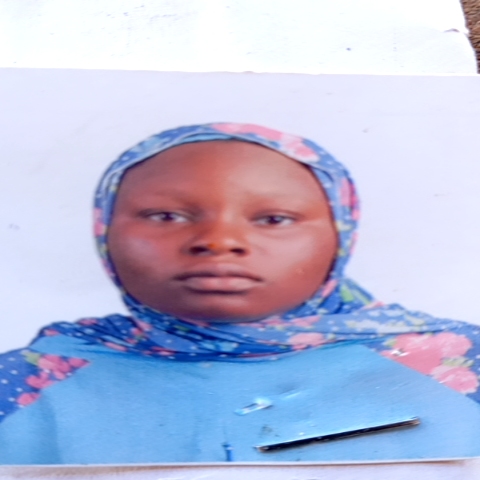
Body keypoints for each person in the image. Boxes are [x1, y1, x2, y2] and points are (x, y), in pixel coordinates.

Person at [1, 122, 480, 464]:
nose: (218, 241)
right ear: (105, 228)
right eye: (166, 216)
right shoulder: (24, 384)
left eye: (274, 219)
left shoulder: (459, 367)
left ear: (341, 233)